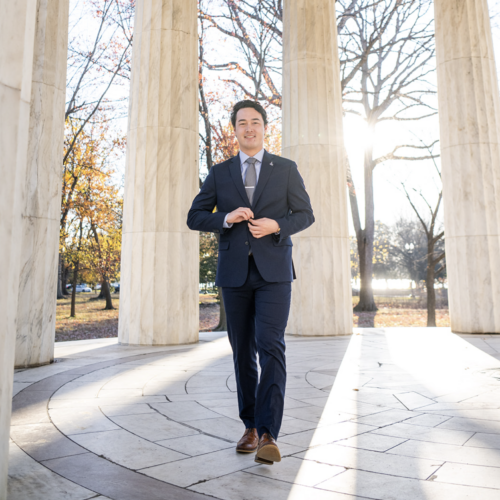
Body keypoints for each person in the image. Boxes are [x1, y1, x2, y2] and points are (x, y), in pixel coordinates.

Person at [187, 100, 314, 465]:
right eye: (242, 123)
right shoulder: (219, 172)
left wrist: (278, 225)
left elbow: (306, 214)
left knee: (271, 345)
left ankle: (269, 433)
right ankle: (250, 427)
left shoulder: (286, 169)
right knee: (243, 350)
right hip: (235, 275)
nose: (249, 128)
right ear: (235, 130)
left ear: (264, 127)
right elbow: (194, 216)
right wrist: (225, 217)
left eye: (255, 122)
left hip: (274, 272)